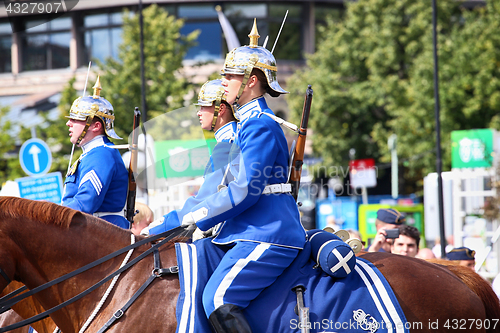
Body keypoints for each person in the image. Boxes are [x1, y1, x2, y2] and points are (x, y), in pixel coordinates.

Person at [169, 20, 306, 333]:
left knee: (218, 296)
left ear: (251, 80)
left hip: (268, 231)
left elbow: (245, 190)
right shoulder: (249, 124)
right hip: (249, 229)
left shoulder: (260, 125)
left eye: (230, 75)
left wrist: (195, 217)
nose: (224, 81)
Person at [144, 79, 238, 236]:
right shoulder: (228, 140)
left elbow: (204, 199)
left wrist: (158, 227)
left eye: (203, 106)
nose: (198, 112)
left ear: (220, 109)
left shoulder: (227, 145)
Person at [62, 77, 129, 229]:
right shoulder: (92, 154)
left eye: (76, 119)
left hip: (103, 236)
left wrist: (51, 213)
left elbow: (85, 203)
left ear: (96, 126)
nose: (69, 123)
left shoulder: (101, 156)